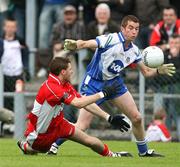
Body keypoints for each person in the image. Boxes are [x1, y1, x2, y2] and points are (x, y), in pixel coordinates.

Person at [49, 15, 176, 157]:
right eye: (130, 28)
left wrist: (158, 70)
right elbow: (87, 43)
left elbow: (146, 72)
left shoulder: (134, 50)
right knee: (82, 126)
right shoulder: (110, 39)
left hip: (114, 83)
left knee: (137, 118)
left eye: (137, 29)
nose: (134, 32)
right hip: (94, 84)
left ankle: (144, 151)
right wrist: (76, 44)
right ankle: (53, 144)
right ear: (123, 29)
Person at [17, 57, 132, 157]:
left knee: (89, 141)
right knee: (39, 150)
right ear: (63, 72)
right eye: (70, 69)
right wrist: (103, 94)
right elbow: (78, 104)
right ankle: (26, 145)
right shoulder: (52, 87)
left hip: (59, 124)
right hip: (41, 133)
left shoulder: (64, 84)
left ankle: (112, 155)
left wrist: (109, 118)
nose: (72, 72)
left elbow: (82, 101)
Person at [0, 17, 29, 110]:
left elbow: (25, 54)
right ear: (4, 27)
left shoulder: (20, 41)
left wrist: (26, 68)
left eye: (12, 27)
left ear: (16, 28)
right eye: (8, 26)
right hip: (3, 75)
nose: (10, 29)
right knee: (3, 100)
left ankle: (16, 121)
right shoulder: (1, 41)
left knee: (18, 99)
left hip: (17, 75)